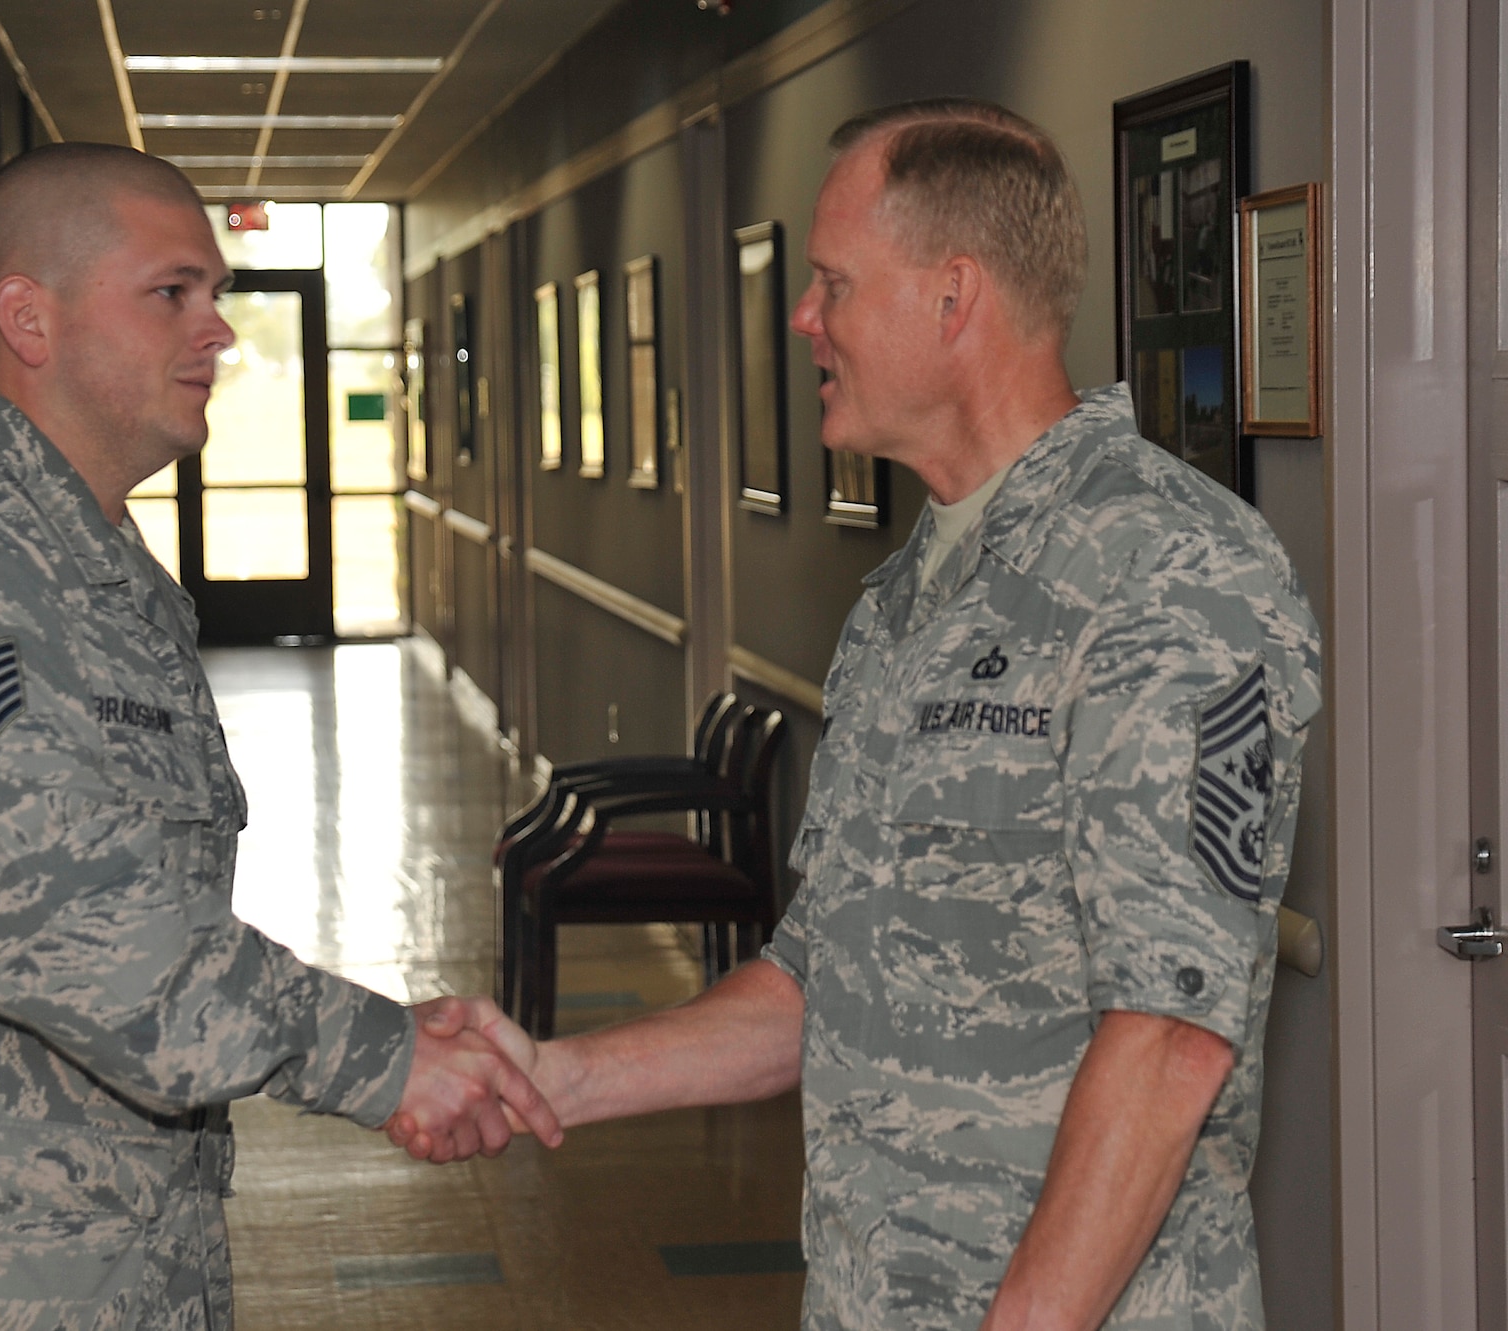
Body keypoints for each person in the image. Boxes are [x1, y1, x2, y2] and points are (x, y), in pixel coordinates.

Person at [402, 99, 1320, 1331]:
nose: (801, 316)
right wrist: (549, 1071)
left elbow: (1168, 1037)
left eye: (831, 280)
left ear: (951, 298)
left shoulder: (1168, 571)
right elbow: (819, 976)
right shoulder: (901, 602)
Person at [0, 143, 557, 1331]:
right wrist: (383, 1053)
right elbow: (70, 925)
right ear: (26, 318)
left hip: (71, 1264)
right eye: (170, 293)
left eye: (217, 296)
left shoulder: (86, 568)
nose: (218, 333)